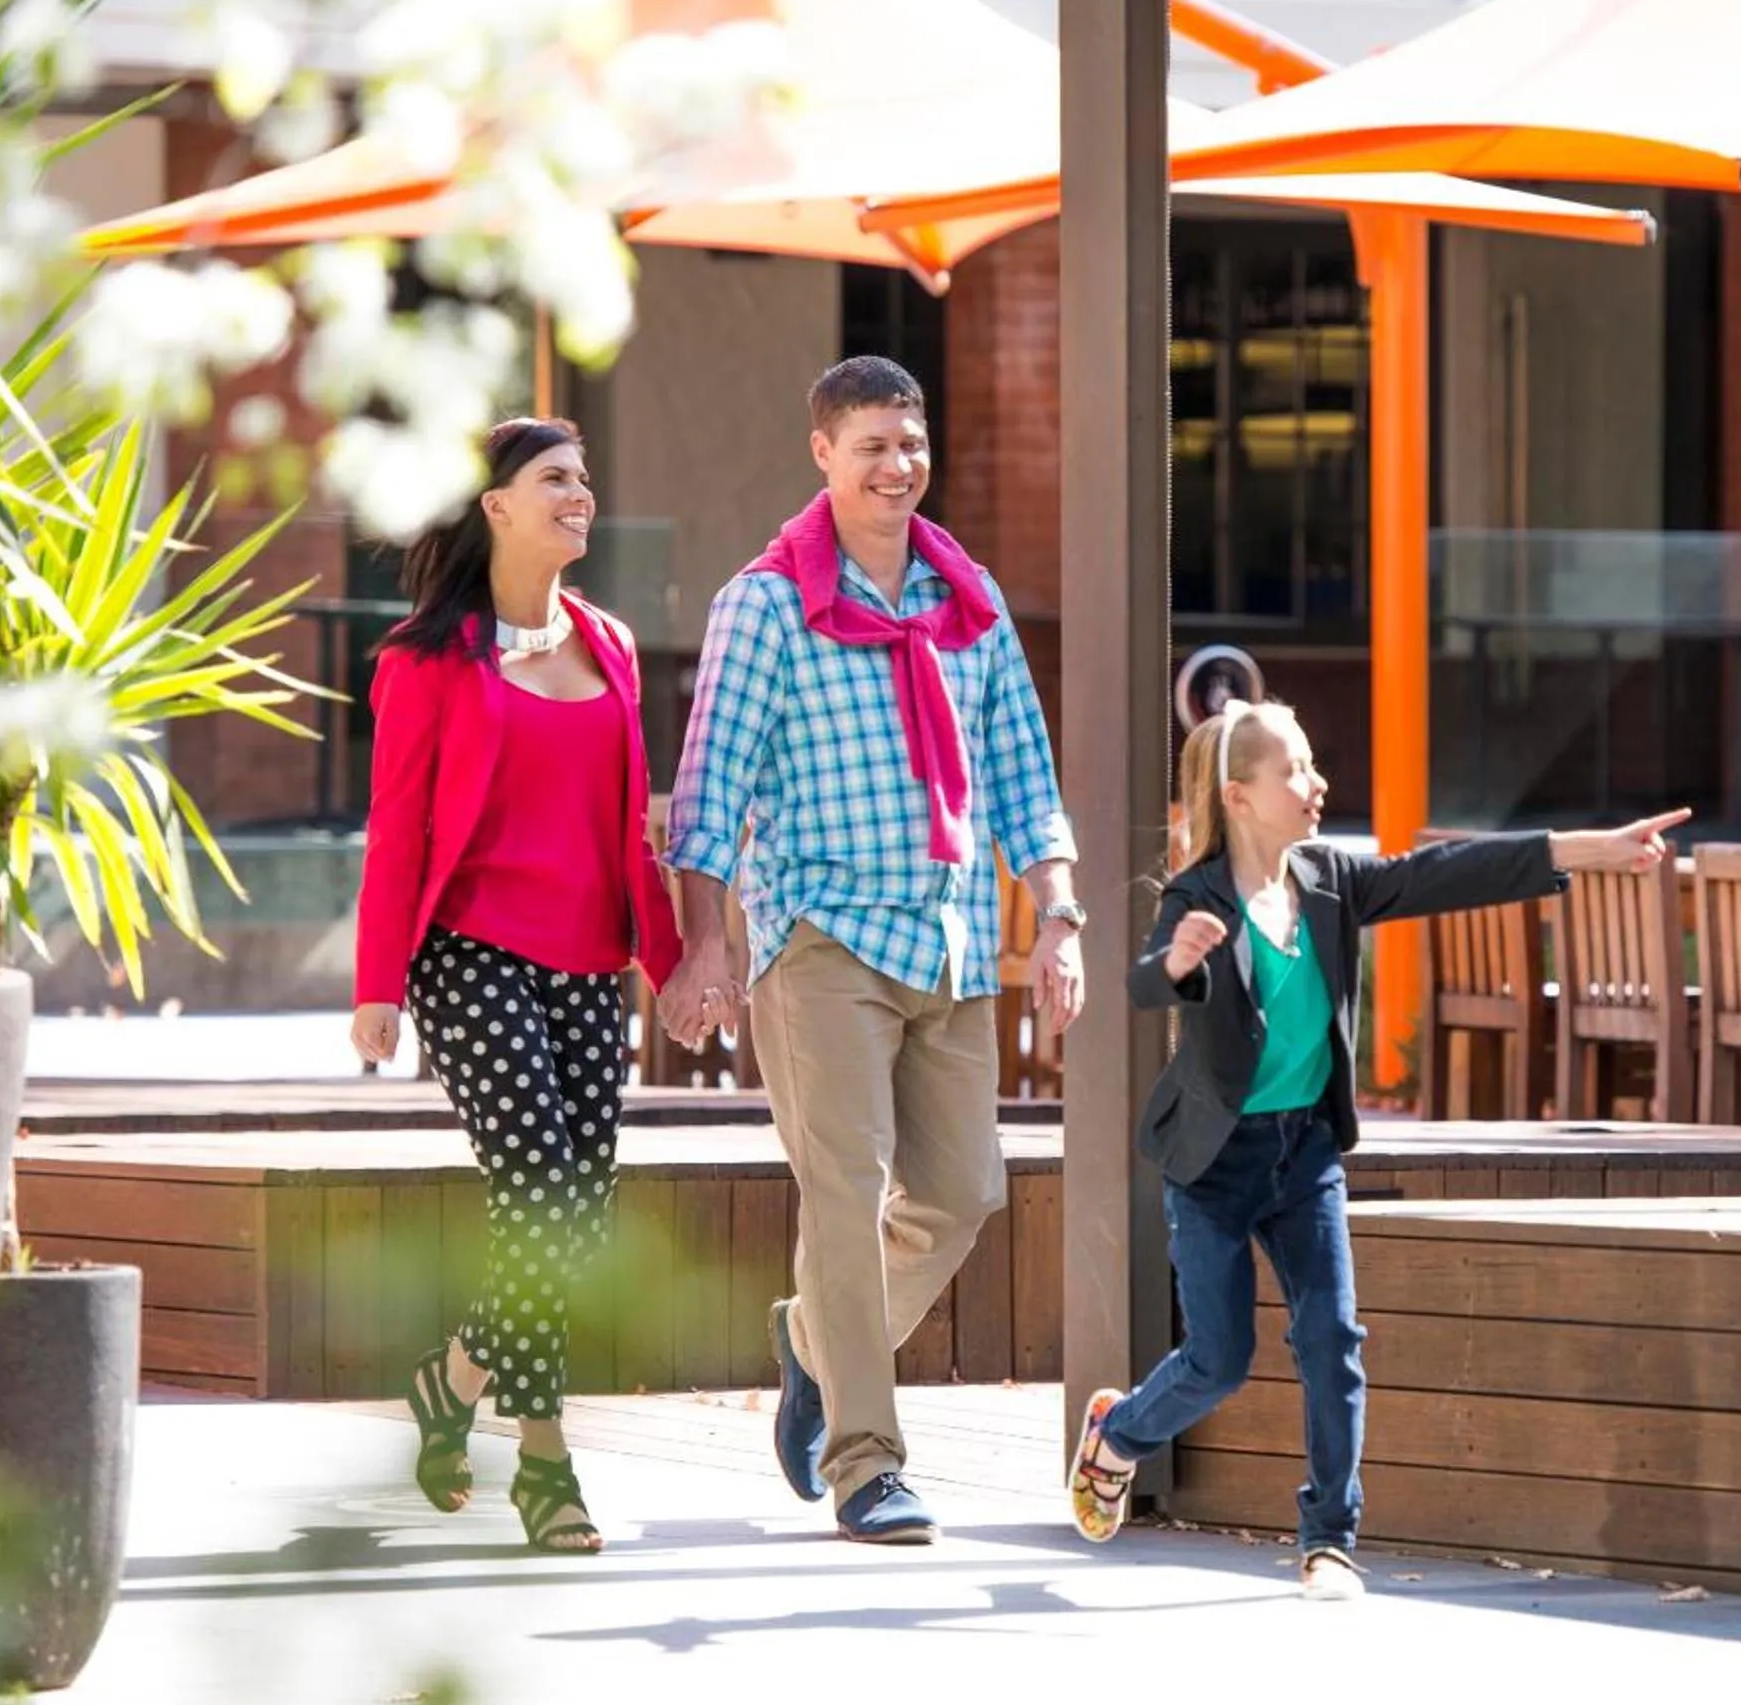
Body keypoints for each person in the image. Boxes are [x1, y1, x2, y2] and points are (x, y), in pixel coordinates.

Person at [1071, 699, 1687, 1597]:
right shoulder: (1196, 896)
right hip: (1213, 1163)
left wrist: (1594, 848)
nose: (1316, 784)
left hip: (1305, 1152)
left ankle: (1328, 1537)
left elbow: (1447, 870)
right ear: (1240, 796)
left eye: (1312, 765)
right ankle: (1119, 1433)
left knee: (1332, 1339)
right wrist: (1178, 963)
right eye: (1295, 770)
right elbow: (1145, 981)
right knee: (1219, 1359)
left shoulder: (1329, 880)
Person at [663, 355, 1082, 1545]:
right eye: (873, 448)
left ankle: (811, 1341)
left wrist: (1056, 912)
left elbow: (1021, 775)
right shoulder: (766, 602)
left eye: (910, 443)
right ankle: (865, 1462)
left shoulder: (968, 598)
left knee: (960, 1194)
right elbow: (708, 792)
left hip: (946, 937)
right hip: (819, 937)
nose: (898, 467)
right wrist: (704, 947)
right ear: (822, 456)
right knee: (841, 1199)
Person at [351, 416, 685, 1555]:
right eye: (555, 480)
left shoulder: (613, 644)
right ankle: (545, 1465)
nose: (579, 495)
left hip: (590, 960)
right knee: (541, 1185)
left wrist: (671, 963)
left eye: (585, 478)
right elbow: (395, 828)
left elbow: (632, 828)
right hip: (469, 951)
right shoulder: (423, 660)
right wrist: (376, 985)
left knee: (571, 1215)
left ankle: (452, 1376)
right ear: (494, 506)